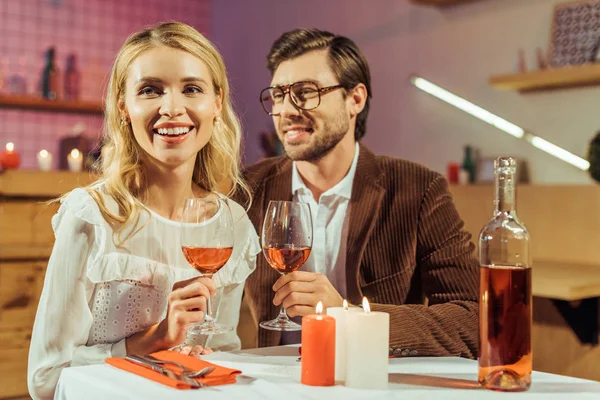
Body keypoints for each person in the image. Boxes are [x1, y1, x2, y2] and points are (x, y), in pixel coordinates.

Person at [27, 22, 260, 400]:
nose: (171, 108)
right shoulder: (92, 216)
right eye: (150, 90)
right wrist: (157, 338)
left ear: (217, 103)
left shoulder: (232, 223)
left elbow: (224, 358)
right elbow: (44, 379)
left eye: (191, 89)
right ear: (124, 107)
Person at [241, 28, 479, 359]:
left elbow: (473, 320)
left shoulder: (418, 190)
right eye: (278, 95)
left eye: (305, 92)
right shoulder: (247, 189)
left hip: (374, 381)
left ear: (355, 99)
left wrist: (349, 315)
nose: (286, 110)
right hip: (274, 383)